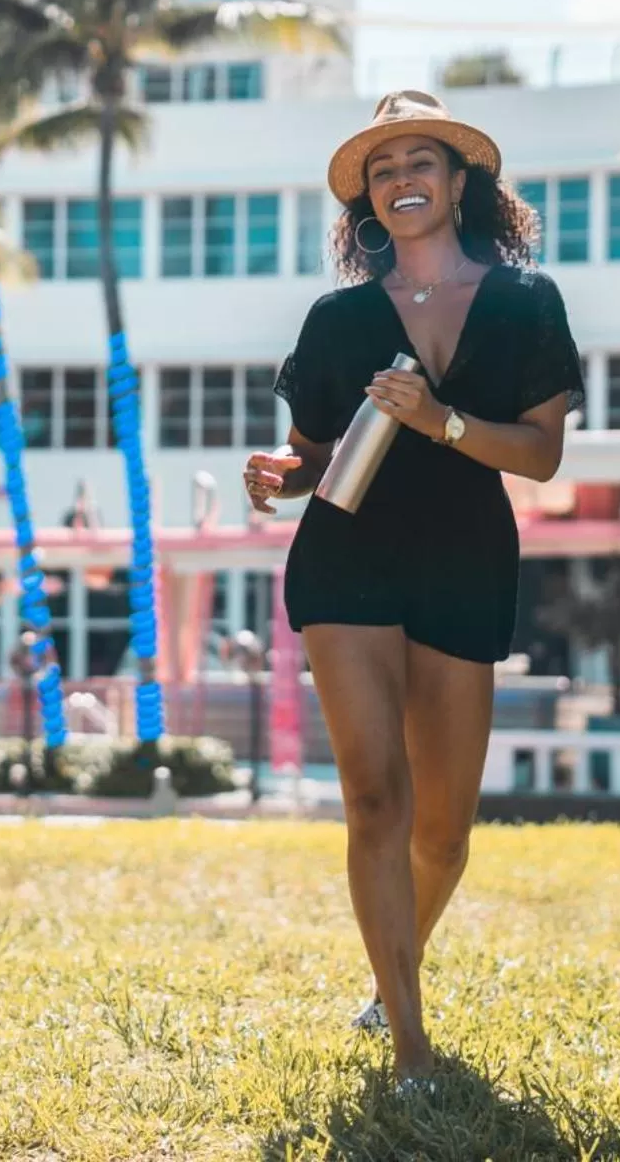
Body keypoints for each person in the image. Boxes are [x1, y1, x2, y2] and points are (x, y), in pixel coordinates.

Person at [245, 90, 583, 1085]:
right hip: (347, 555)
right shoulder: (338, 316)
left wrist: (439, 420)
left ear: (462, 180)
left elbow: (543, 454)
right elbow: (313, 455)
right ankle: (408, 1040)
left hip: (465, 556)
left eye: (420, 161)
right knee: (374, 795)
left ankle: (394, 968)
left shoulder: (528, 301)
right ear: (366, 199)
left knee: (442, 830)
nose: (402, 180)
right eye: (383, 169)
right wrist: (281, 473)